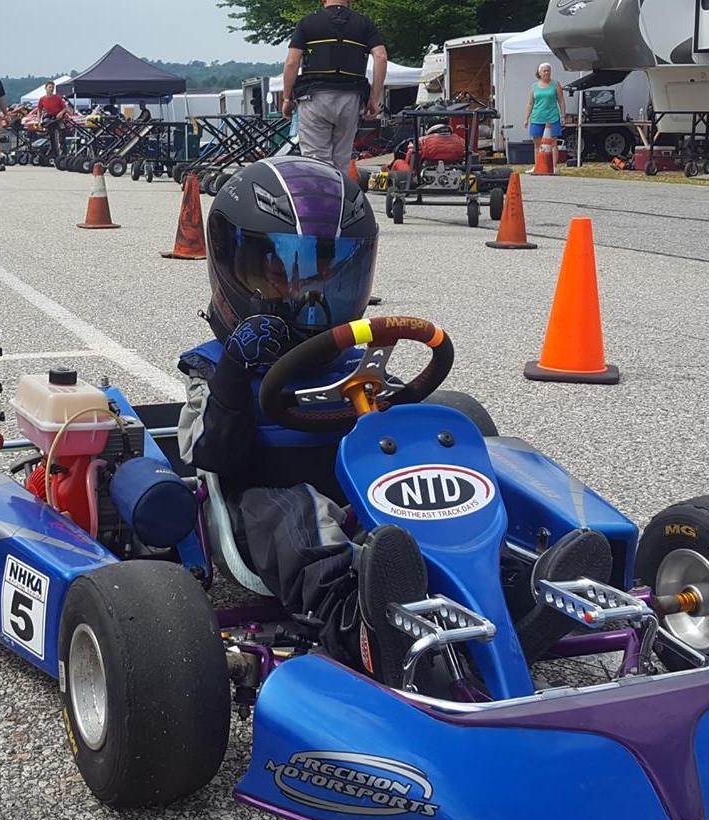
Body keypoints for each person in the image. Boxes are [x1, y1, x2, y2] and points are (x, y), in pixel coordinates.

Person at [178, 156, 607, 687]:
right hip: (260, 500)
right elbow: (211, 453)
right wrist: (235, 373)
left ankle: (512, 592)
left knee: (445, 455)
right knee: (299, 512)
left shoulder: (352, 361)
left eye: (326, 272)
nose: (308, 294)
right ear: (232, 266)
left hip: (367, 498)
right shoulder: (211, 368)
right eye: (281, 272)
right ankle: (360, 624)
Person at [280, 0, 387, 174]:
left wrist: (286, 98)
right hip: (351, 98)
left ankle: (321, 190)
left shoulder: (308, 22)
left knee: (316, 159)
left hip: (314, 97)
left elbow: (292, 62)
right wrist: (374, 99)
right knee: (341, 160)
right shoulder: (364, 23)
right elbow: (381, 57)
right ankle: (339, 189)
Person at [525, 62, 567, 146]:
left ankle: (554, 156)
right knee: (537, 144)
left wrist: (563, 116)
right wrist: (526, 118)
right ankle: (538, 156)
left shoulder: (556, 84)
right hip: (537, 118)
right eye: (544, 71)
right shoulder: (534, 86)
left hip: (552, 117)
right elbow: (530, 104)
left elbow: (561, 101)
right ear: (539, 73)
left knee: (553, 143)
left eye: (548, 71)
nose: (547, 73)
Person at [36, 80, 71, 164]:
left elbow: (65, 108)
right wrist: (39, 121)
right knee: (52, 137)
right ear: (45, 88)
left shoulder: (58, 98)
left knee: (61, 136)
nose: (51, 89)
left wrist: (61, 113)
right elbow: (39, 110)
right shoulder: (42, 99)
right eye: (50, 87)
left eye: (52, 87)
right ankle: (54, 155)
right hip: (49, 118)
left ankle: (64, 155)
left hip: (58, 117)